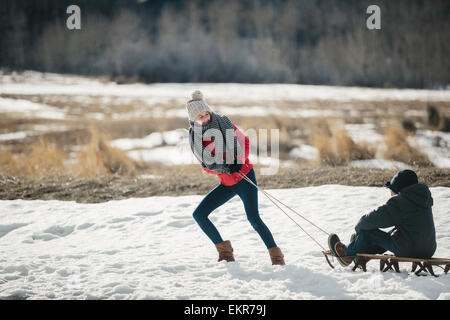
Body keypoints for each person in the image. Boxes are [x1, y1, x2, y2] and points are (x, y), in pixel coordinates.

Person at [186, 90, 285, 265]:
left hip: (244, 176)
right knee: (199, 214)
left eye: (206, 113)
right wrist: (225, 167)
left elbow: (244, 142)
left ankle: (276, 257)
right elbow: (206, 165)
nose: (205, 118)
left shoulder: (223, 122)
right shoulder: (195, 137)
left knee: (253, 218)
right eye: (200, 116)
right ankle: (225, 252)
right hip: (227, 183)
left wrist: (238, 161)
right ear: (193, 120)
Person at [328, 169, 437, 267]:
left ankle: (346, 255)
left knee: (367, 233)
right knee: (392, 234)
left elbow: (375, 219)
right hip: (428, 249)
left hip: (409, 249)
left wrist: (359, 227)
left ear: (399, 189)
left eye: (392, 189)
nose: (390, 193)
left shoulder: (401, 202)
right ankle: (362, 251)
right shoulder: (421, 198)